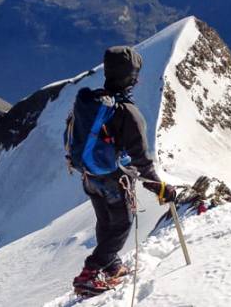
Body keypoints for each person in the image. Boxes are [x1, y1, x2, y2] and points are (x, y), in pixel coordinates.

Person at [71, 46, 177, 295]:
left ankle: (111, 264)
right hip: (114, 181)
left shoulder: (91, 102)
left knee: (105, 222)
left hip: (89, 177)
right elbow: (142, 161)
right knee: (121, 226)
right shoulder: (129, 114)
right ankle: (90, 273)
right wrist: (161, 188)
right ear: (131, 77)